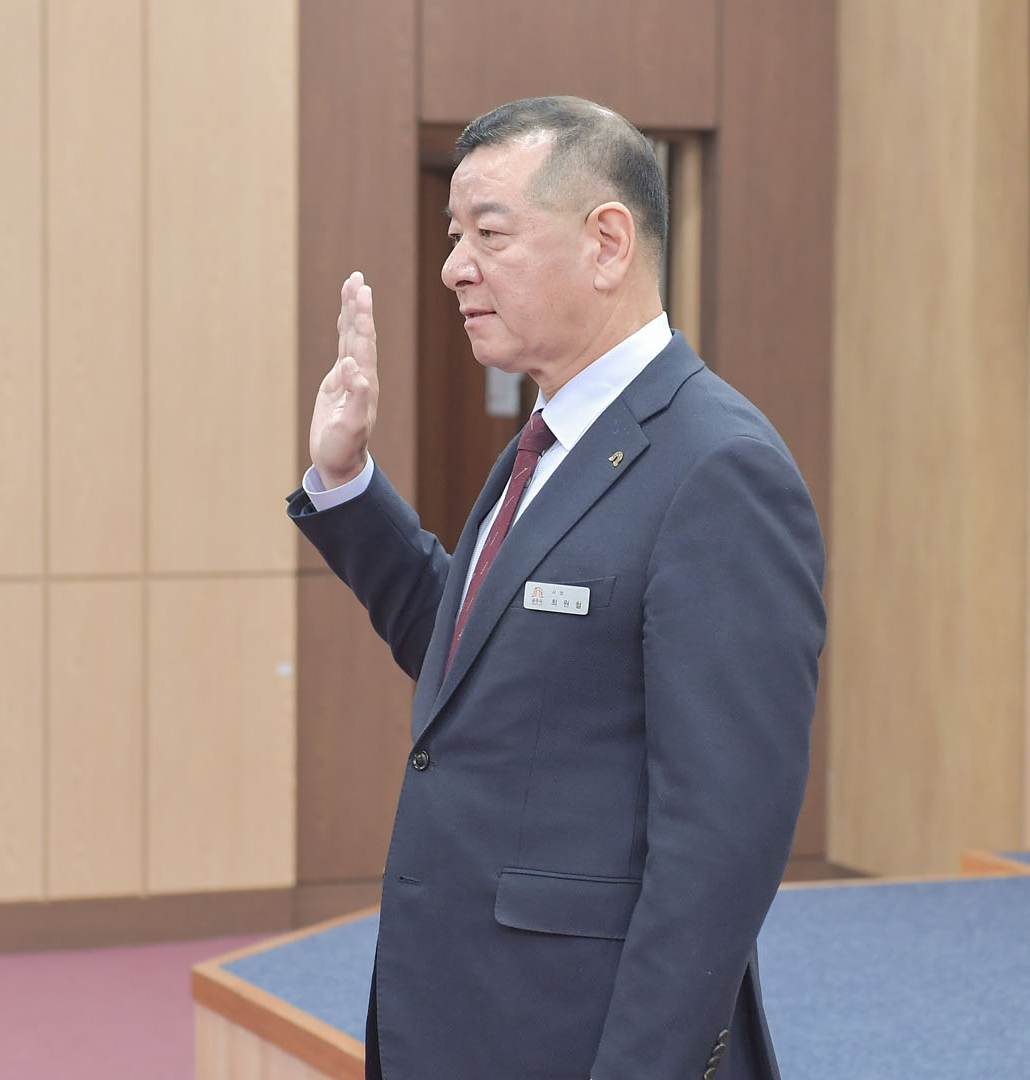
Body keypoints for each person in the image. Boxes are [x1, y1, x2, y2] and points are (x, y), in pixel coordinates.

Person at [286, 96, 826, 1080]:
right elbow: (476, 659)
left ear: (607, 243)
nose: (454, 267)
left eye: (489, 234)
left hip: (581, 1038)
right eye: (454, 236)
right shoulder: (548, 444)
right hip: (462, 1015)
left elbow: (720, 852)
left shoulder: (719, 469)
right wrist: (347, 481)